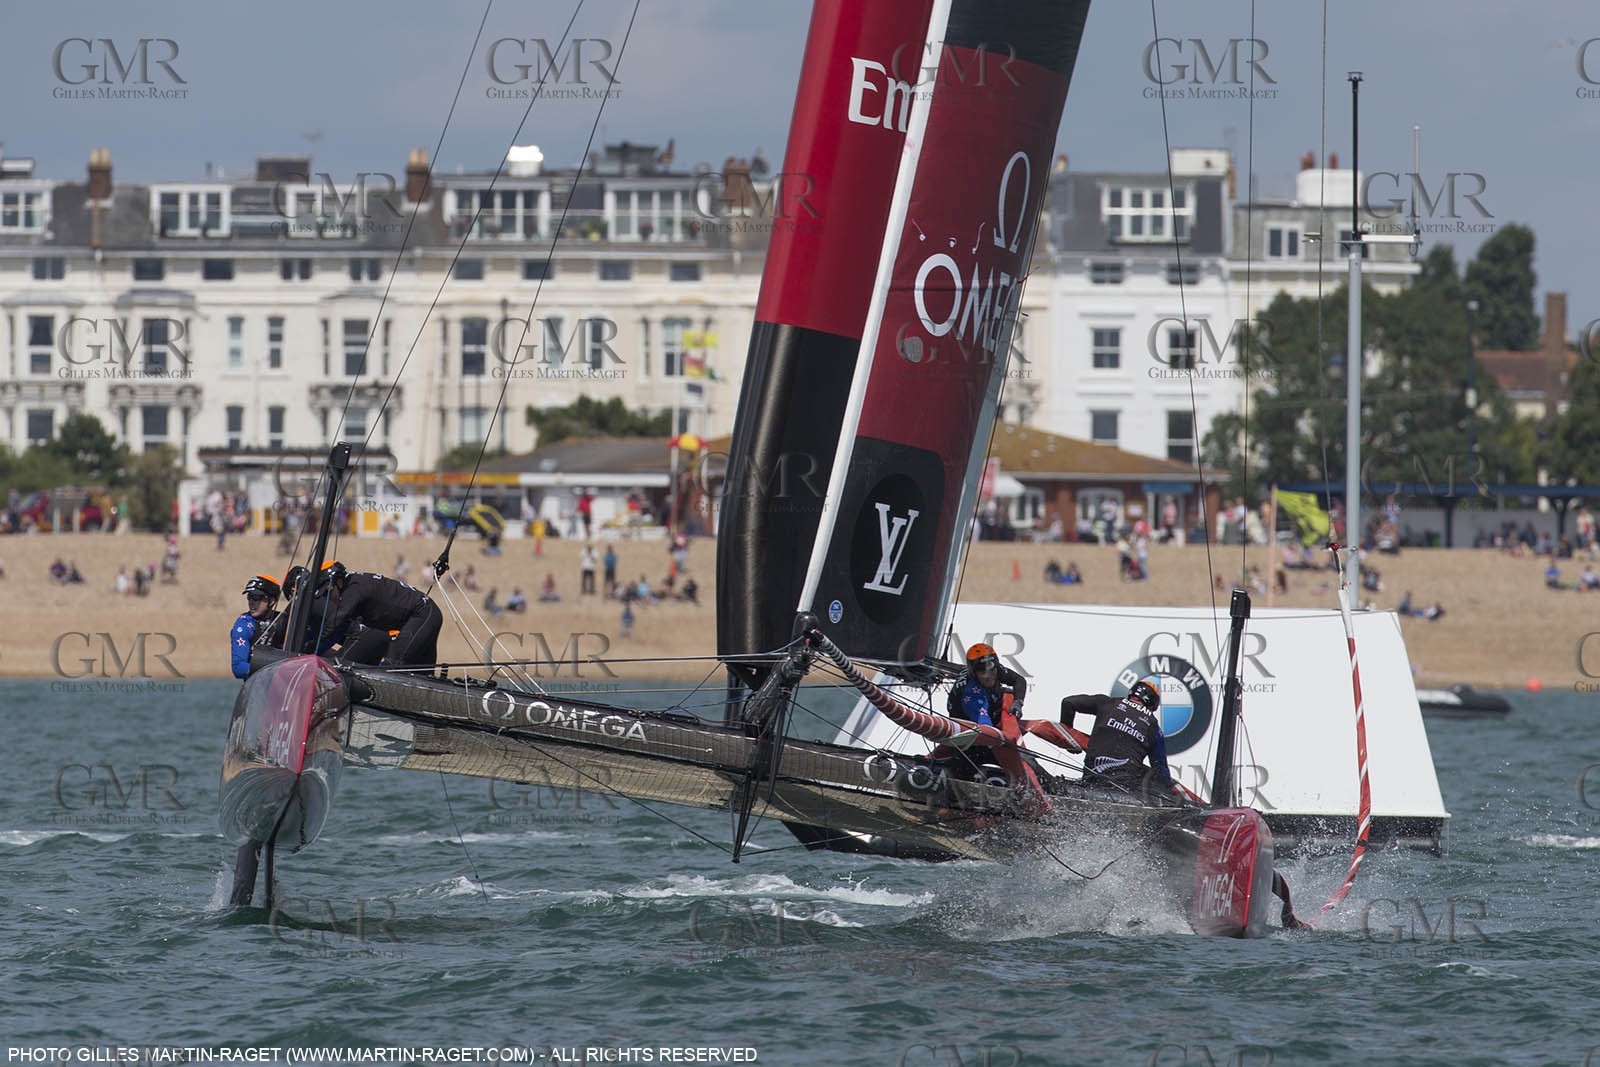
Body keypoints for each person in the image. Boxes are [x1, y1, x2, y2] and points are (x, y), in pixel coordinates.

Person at [1064, 680, 1181, 802]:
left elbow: (1068, 703)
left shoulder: (1107, 703)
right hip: (1125, 789)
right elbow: (1160, 769)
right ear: (1152, 704)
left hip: (1091, 779)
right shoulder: (1154, 727)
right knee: (1156, 783)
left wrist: (1069, 739)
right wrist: (1169, 792)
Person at [314, 561, 443, 670]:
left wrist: (313, 647)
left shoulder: (354, 589)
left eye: (328, 592)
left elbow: (335, 622)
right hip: (424, 614)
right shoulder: (354, 583)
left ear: (339, 582)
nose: (328, 599)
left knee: (392, 667)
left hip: (423, 614)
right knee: (421, 672)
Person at [946, 643, 1027, 729]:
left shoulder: (996, 668)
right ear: (974, 673)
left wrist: (1018, 703)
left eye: (991, 670)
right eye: (982, 672)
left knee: (1009, 694)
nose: (988, 675)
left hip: (989, 704)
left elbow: (1019, 680)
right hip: (968, 719)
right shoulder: (970, 692)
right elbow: (986, 727)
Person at [230, 574, 282, 679]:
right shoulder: (244, 624)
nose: (251, 603)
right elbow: (238, 667)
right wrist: (275, 672)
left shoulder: (283, 620)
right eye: (249, 597)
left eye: (256, 598)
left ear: (271, 601)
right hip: (259, 686)